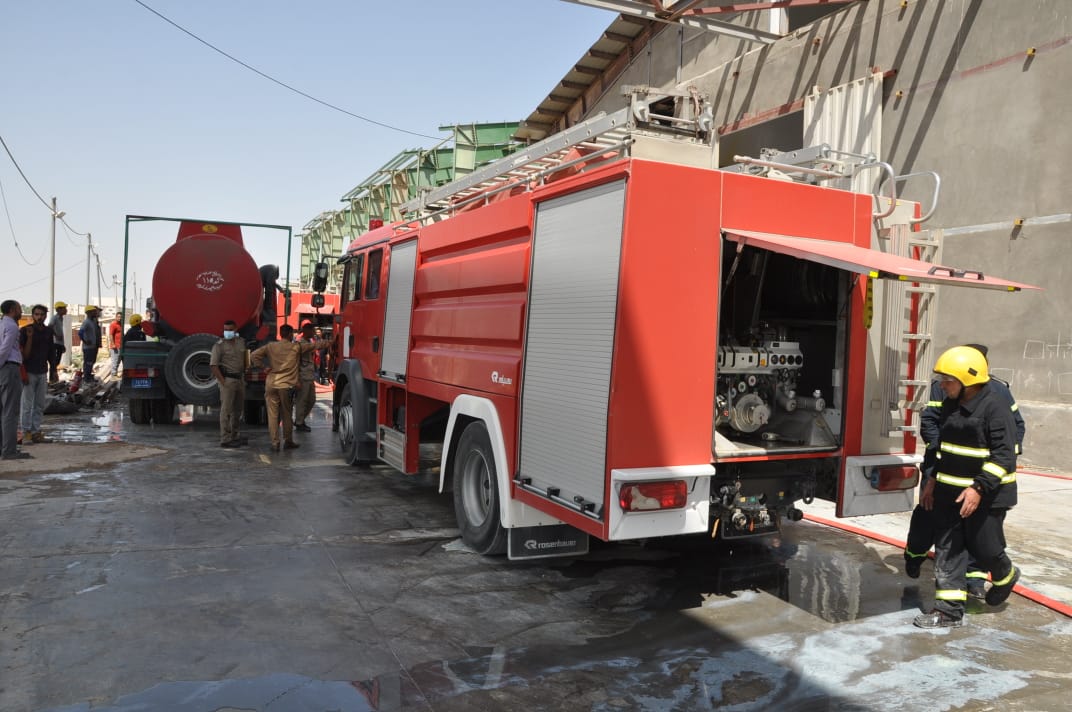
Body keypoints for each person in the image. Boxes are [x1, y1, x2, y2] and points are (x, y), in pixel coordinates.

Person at [904, 343, 1025, 600]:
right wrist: (932, 479)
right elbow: (944, 447)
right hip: (950, 490)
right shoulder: (950, 404)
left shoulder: (996, 406)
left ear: (967, 381)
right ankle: (948, 610)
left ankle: (1004, 574)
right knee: (949, 548)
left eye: (948, 380)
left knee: (984, 548)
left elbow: (1005, 453)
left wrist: (979, 487)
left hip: (987, 492)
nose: (942, 385)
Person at [249, 324, 323, 452]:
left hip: (271, 384)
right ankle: (288, 441)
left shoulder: (271, 346)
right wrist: (329, 342)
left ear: (280, 334)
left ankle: (275, 443)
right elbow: (314, 346)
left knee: (272, 415)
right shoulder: (295, 347)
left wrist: (263, 367)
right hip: (285, 385)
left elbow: (253, 355)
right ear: (289, 334)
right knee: (286, 414)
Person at [209, 320, 249, 449]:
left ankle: (234, 435)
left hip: (240, 379)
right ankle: (225, 439)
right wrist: (223, 382)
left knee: (238, 410)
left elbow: (246, 358)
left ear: (235, 329)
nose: (227, 332)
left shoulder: (241, 342)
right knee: (226, 410)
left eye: (230, 330)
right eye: (225, 330)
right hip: (228, 380)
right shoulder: (219, 346)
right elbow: (214, 366)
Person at [19, 304, 54, 445]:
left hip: (42, 371)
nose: (39, 317)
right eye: (37, 314)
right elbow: (23, 355)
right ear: (33, 315)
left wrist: (53, 369)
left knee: (39, 404)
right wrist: (30, 337)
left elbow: (51, 351)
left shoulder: (48, 331)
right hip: (29, 371)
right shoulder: (25, 331)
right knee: (27, 404)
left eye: (42, 314)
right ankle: (26, 433)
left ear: (46, 316)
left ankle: (36, 432)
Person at [0, 300, 30, 460]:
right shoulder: (11, 326)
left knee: (3, 411)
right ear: (12, 310)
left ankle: (4, 448)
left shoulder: (2, 324)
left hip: (4, 368)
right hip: (9, 367)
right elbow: (5, 348)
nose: (21, 311)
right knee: (10, 412)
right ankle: (9, 451)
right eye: (19, 309)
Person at [293, 322, 317, 432]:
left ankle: (300, 419)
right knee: (301, 401)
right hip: (302, 377)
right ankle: (299, 422)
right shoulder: (300, 344)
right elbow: (295, 362)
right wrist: (297, 379)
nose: (314, 332)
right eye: (312, 330)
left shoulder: (309, 342)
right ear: (306, 331)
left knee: (312, 400)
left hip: (309, 376)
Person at [79, 306, 102, 384]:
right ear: (88, 313)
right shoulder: (86, 322)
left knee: (91, 362)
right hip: (88, 347)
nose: (95, 313)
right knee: (88, 363)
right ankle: (86, 378)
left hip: (93, 346)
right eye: (93, 311)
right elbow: (80, 332)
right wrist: (85, 341)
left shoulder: (92, 322)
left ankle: (88, 377)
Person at [47, 301, 68, 383]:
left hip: (59, 343)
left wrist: (63, 345)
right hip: (55, 343)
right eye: (64, 308)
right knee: (54, 362)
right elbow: (49, 327)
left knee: (57, 361)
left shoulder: (61, 318)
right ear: (59, 309)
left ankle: (54, 377)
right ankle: (52, 378)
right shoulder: (54, 318)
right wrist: (55, 335)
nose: (66, 310)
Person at [108, 312, 124, 377]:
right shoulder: (113, 324)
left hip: (120, 346)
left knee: (118, 361)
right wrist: (113, 344)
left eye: (121, 317)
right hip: (115, 347)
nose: (120, 318)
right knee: (115, 361)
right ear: (116, 317)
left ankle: (115, 374)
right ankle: (113, 375)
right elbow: (111, 335)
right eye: (118, 317)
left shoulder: (121, 325)